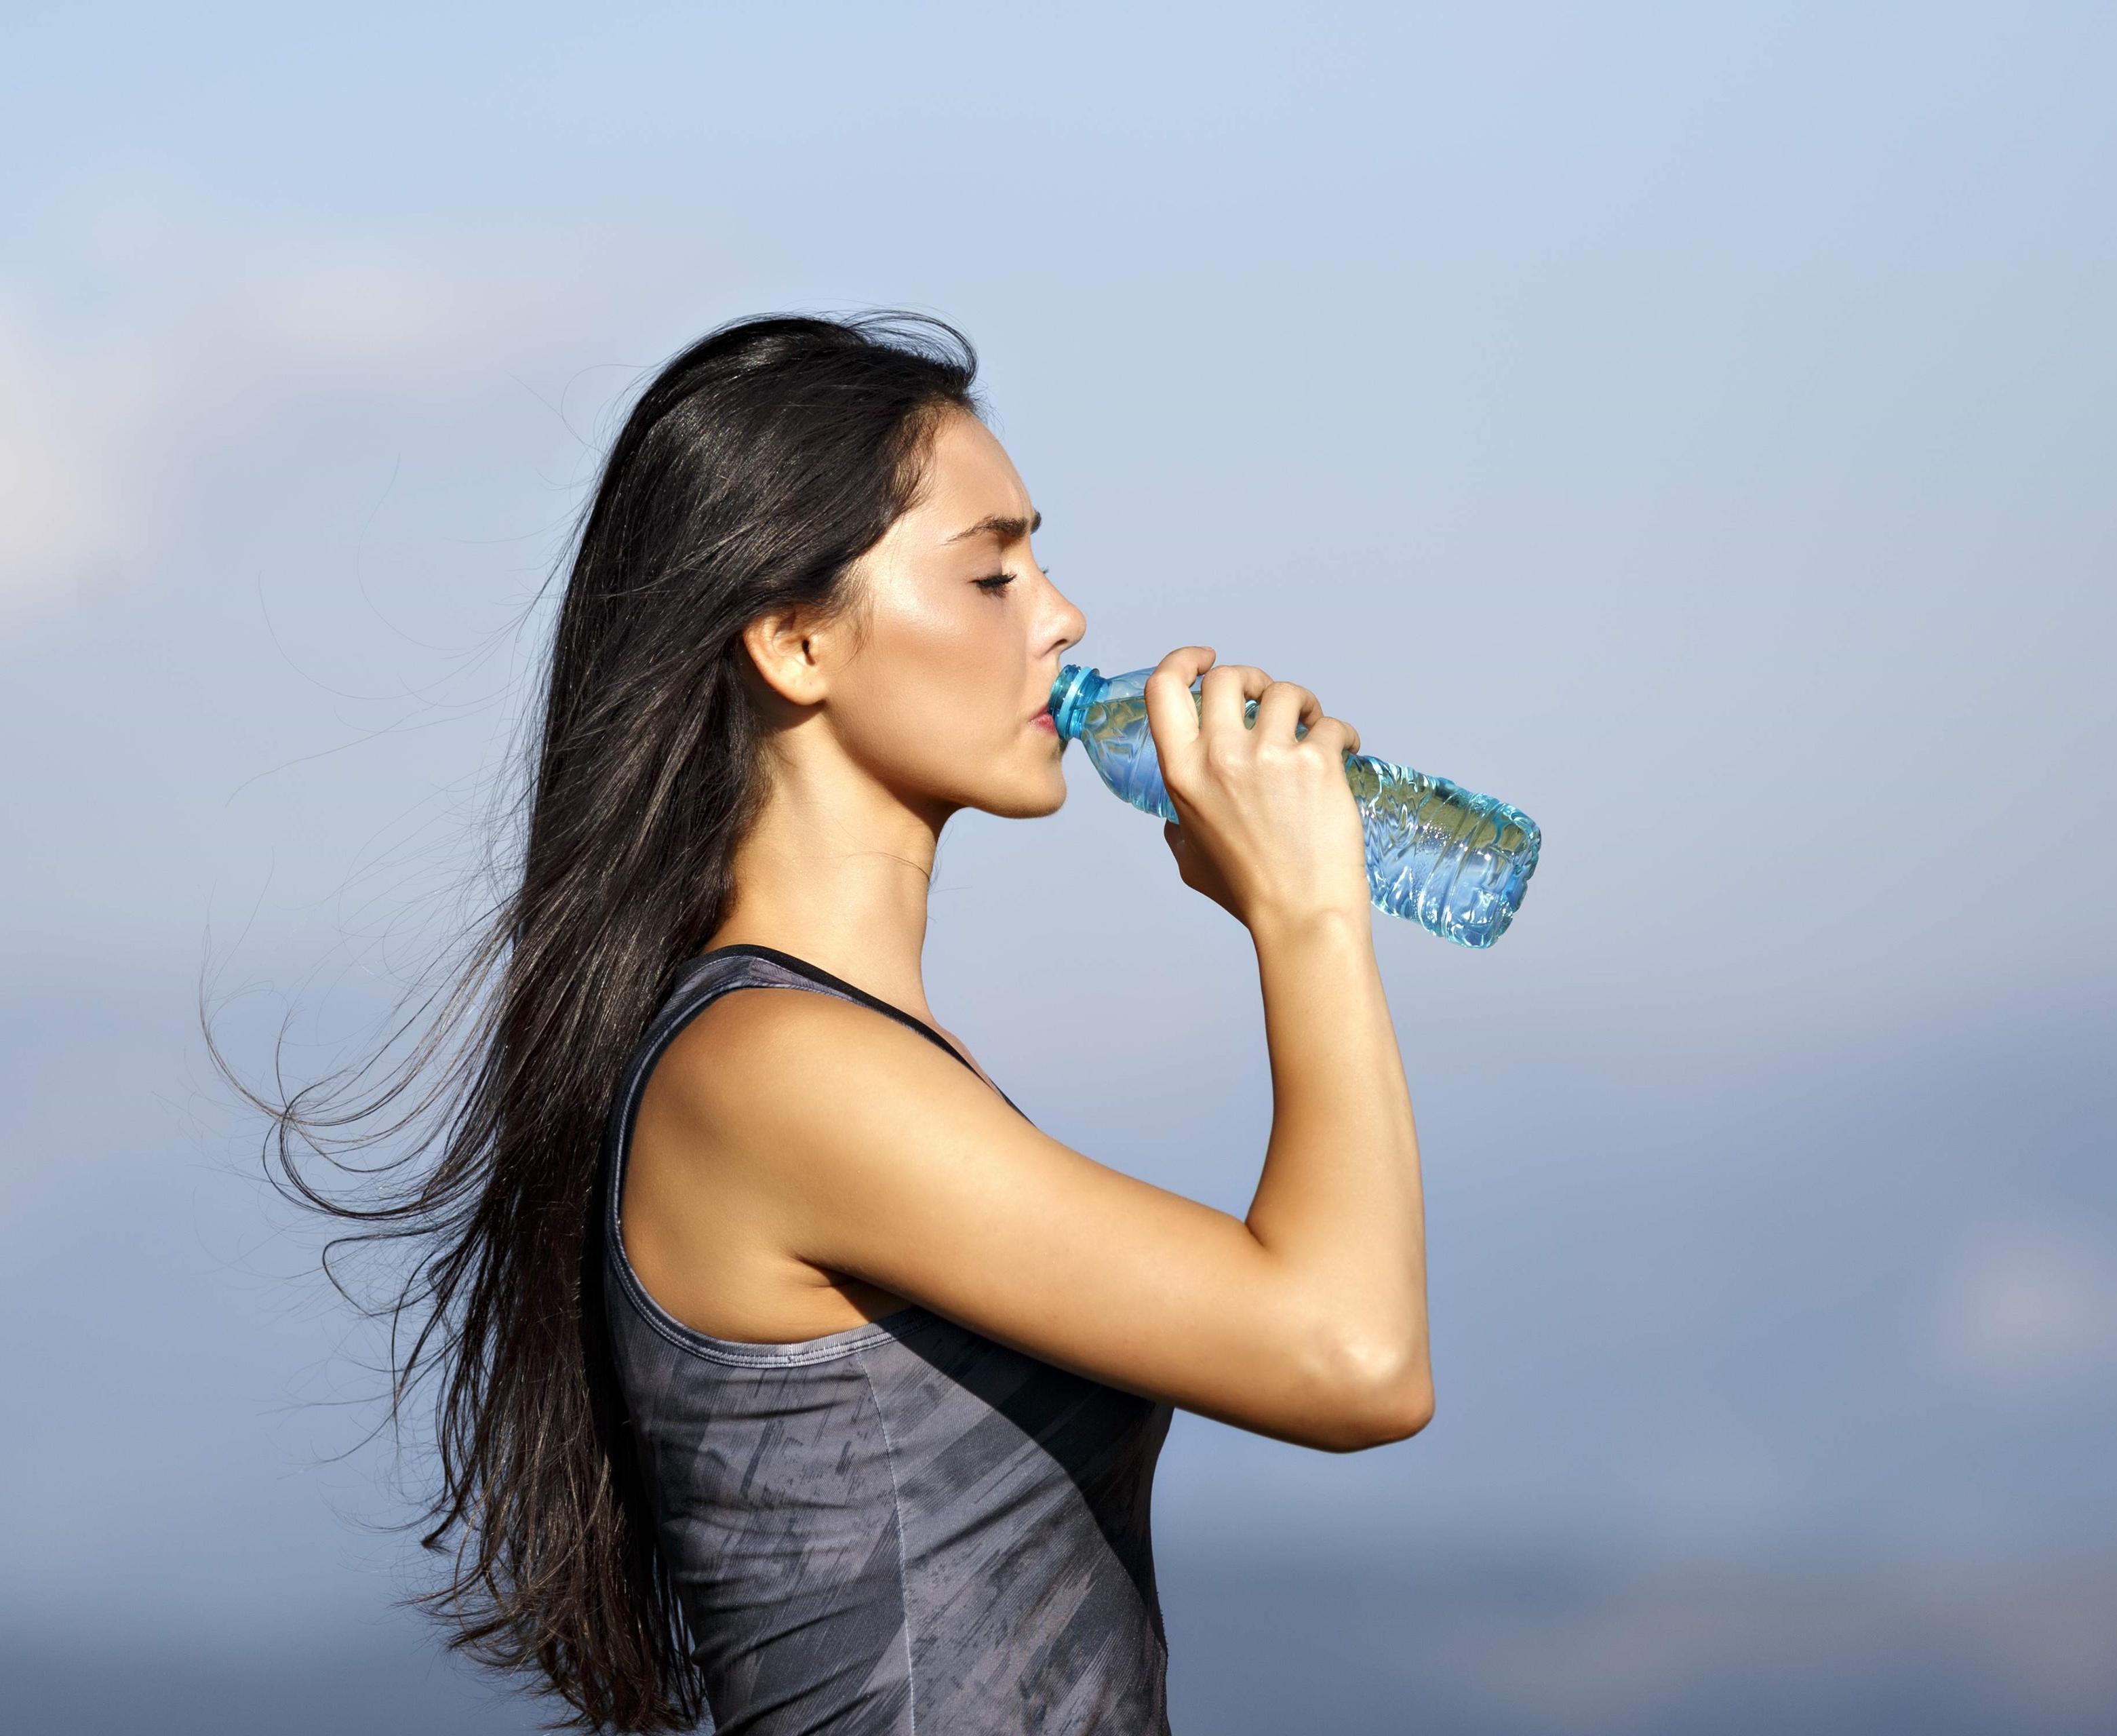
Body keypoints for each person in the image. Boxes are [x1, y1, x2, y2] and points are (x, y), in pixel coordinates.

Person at [235, 311, 1430, 1736]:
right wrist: (1309, 914)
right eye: (992, 571)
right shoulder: (778, 1073)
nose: (1061, 618)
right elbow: (1352, 1354)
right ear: (796, 640)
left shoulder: (850, 1060)